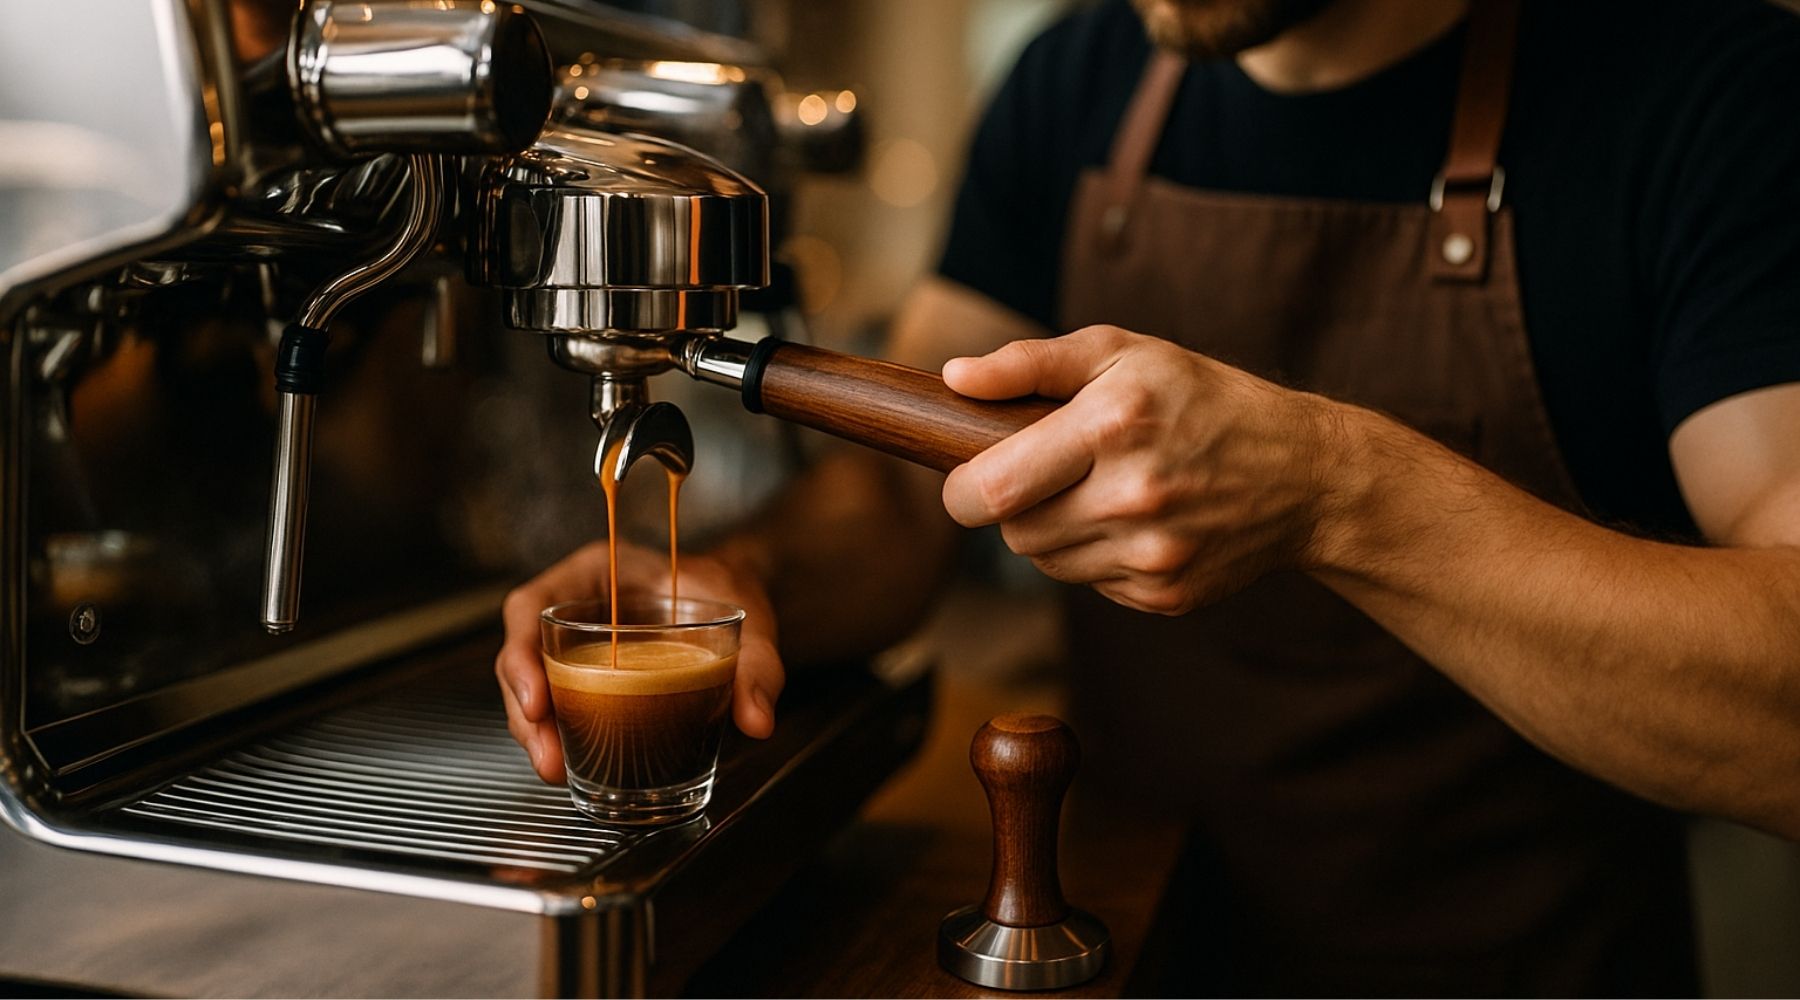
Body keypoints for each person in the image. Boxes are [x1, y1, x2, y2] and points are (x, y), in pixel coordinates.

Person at [497, 0, 1800, 990]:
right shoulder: (1078, 77)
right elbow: (901, 502)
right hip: (1126, 948)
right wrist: (752, 576)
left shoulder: (1711, 86)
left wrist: (1343, 492)